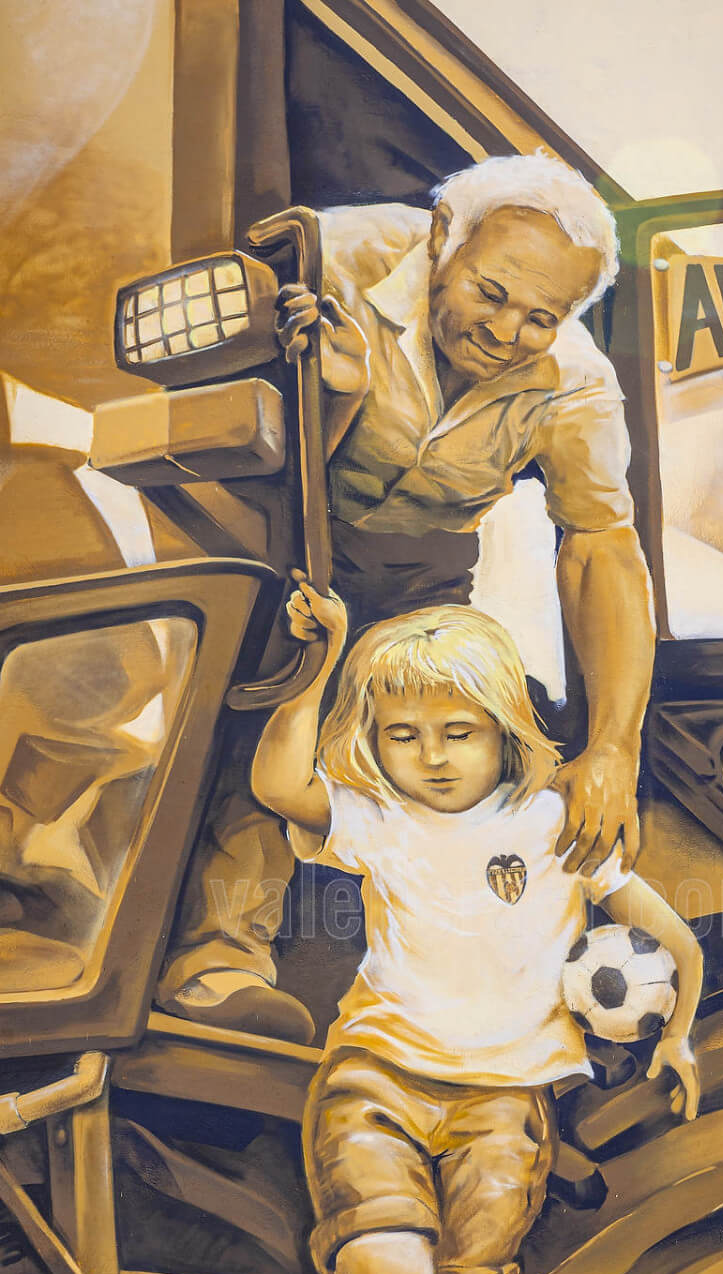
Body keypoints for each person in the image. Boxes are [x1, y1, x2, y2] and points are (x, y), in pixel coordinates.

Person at [250, 584, 702, 1274]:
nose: (433, 757)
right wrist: (323, 664)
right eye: (403, 736)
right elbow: (277, 781)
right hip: (381, 1078)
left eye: (458, 732)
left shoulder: (554, 827)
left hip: (505, 1108)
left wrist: (678, 1037)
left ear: (505, 730)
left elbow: (670, 937)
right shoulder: (378, 821)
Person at [157, 151, 656, 1041]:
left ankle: (447, 991)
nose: (507, 332)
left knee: (447, 730)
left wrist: (615, 746)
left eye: (542, 317)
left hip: (421, 565)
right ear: (441, 240)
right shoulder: (333, 254)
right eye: (492, 294)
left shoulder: (576, 386)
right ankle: (217, 967)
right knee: (282, 699)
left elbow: (601, 550)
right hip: (273, 524)